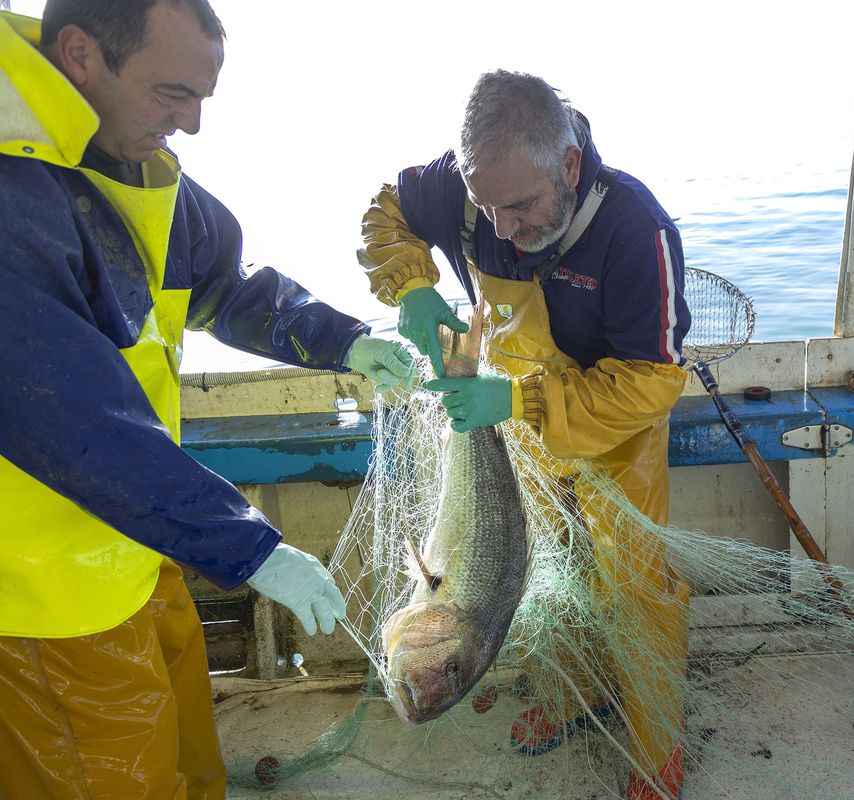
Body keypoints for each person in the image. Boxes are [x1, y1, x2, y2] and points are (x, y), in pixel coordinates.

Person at [0, 2, 414, 797]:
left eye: (202, 97)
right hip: (46, 595)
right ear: (80, 55)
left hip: (137, 541)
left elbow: (226, 284)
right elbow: (81, 425)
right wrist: (251, 549)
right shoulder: (13, 190)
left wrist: (343, 340)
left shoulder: (120, 148)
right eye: (173, 93)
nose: (191, 124)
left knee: (188, 759)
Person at [358, 69, 691, 800]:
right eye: (486, 207)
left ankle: (656, 743)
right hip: (506, 421)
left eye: (519, 206)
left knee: (635, 587)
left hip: (613, 428)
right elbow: (386, 214)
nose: (502, 228)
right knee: (538, 569)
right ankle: (571, 695)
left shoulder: (637, 229)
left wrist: (517, 397)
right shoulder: (464, 188)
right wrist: (413, 287)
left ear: (569, 165)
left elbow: (651, 381)